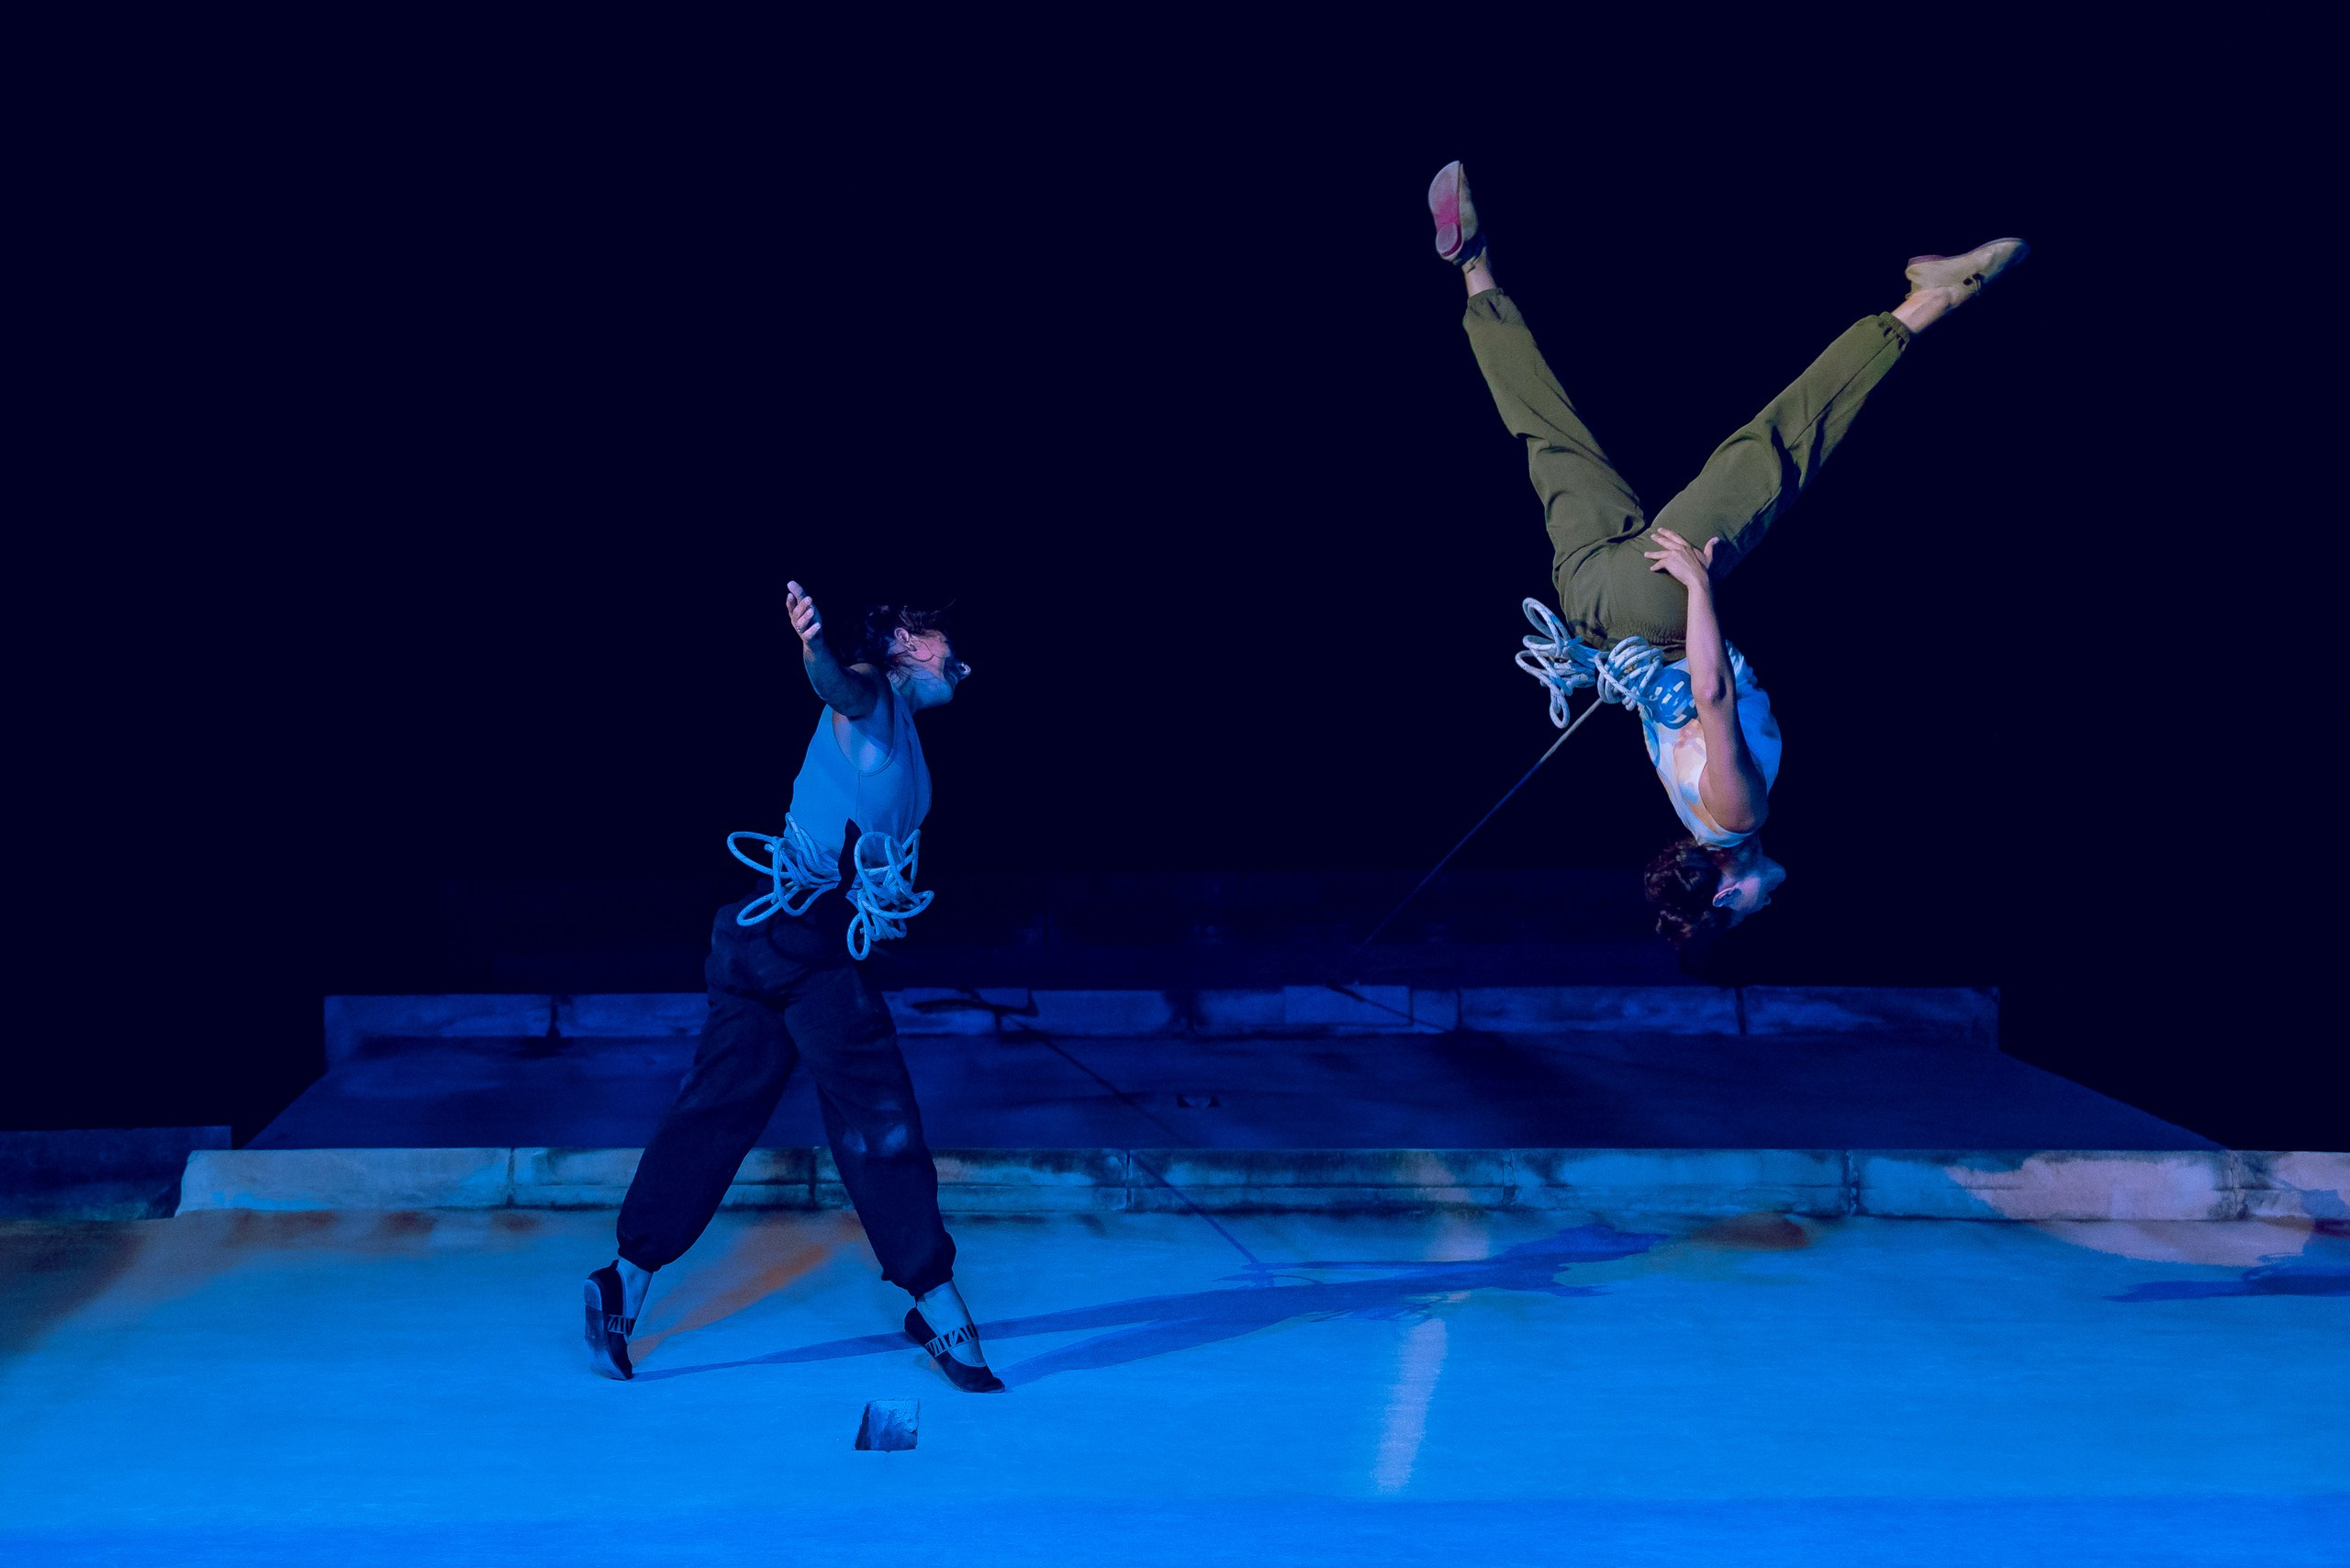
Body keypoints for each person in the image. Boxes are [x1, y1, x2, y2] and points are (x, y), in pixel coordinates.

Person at [1428, 160, 2026, 959]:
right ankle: (1474, 269)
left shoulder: (1737, 817)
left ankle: (1929, 301)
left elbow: (1709, 694)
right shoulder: (1689, 813)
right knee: (1548, 434)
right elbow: (1668, 707)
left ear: (1726, 892)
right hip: (1589, 604)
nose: (1768, 899)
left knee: (1775, 449)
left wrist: (1699, 589)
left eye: (1751, 910)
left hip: (1656, 606)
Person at [582, 581, 1003, 1392]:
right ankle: (937, 1302)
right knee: (878, 1117)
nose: (963, 661)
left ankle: (624, 1279)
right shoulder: (874, 698)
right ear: (907, 641)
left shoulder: (904, 737)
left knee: (715, 1112)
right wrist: (813, 646)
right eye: (946, 642)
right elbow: (838, 687)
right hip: (806, 947)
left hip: (762, 939)